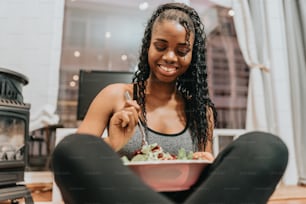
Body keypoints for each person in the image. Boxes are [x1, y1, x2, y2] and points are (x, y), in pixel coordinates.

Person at [52, 3, 288, 204]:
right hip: (124, 197)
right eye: (161, 46)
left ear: (192, 56)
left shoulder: (200, 111)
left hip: (188, 197)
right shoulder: (115, 96)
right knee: (71, 147)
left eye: (182, 50)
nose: (170, 57)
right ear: (148, 47)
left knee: (267, 147)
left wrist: (207, 163)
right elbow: (79, 158)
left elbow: (204, 174)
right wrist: (113, 143)